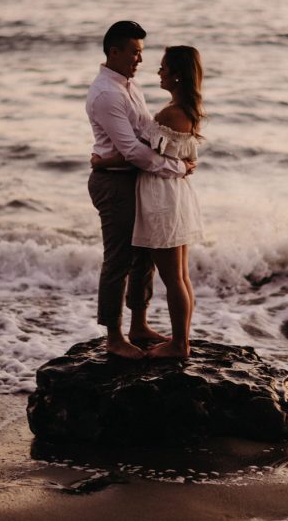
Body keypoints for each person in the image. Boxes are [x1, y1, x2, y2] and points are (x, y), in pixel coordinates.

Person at [86, 21, 196, 359]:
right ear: (114, 51)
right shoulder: (107, 94)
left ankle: (139, 323)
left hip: (138, 179)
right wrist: (179, 167)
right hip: (116, 183)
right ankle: (115, 337)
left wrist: (103, 159)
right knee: (118, 260)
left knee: (144, 258)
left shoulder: (130, 87)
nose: (140, 60)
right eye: (134, 53)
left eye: (142, 53)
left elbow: (149, 140)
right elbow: (134, 150)